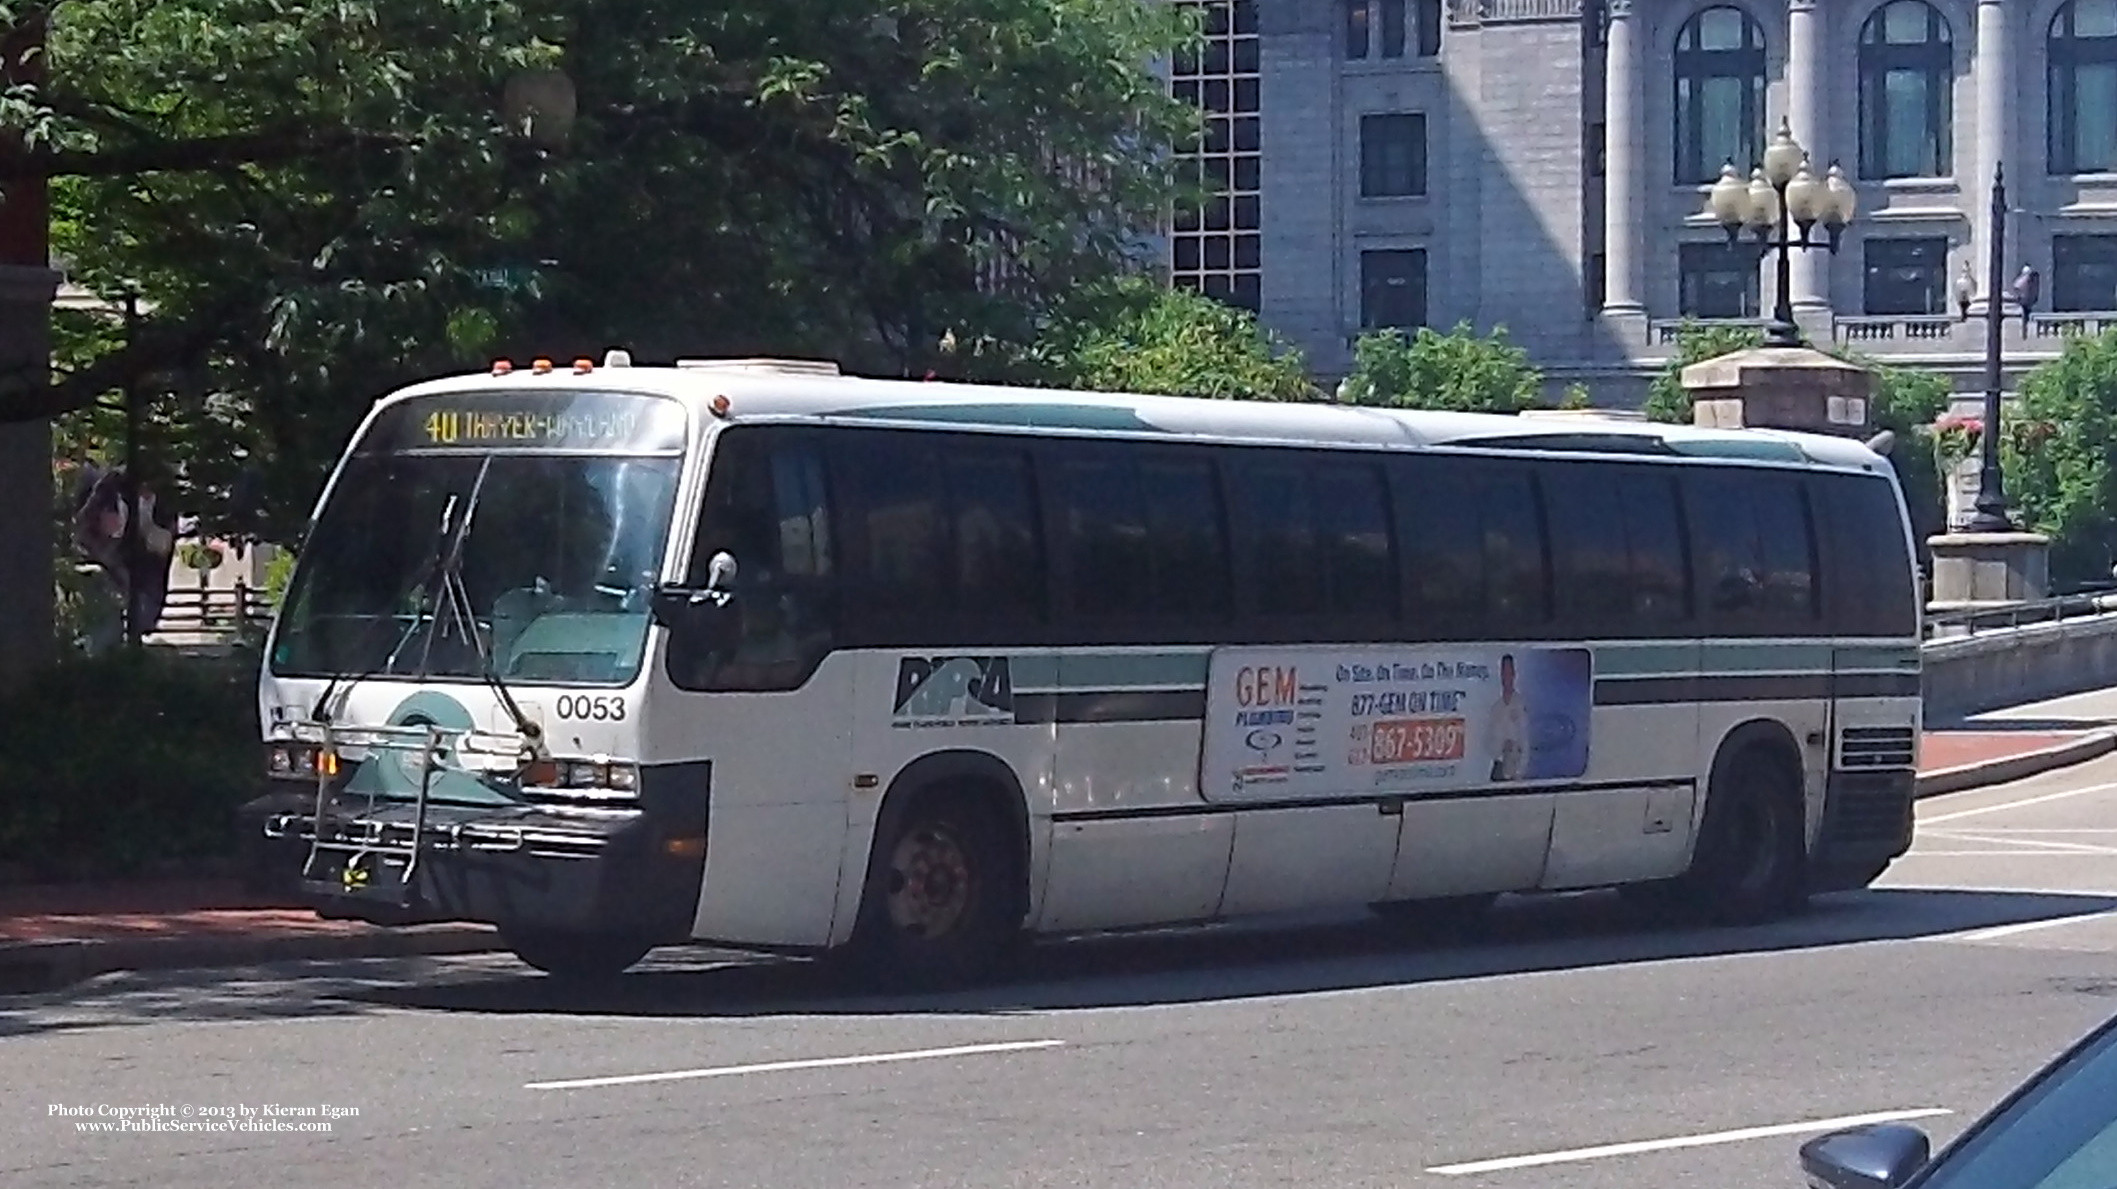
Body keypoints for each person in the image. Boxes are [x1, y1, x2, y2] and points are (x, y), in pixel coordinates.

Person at [1486, 653, 1529, 782]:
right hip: (1499, 766)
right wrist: (1501, 746)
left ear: (1514, 675)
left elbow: (1525, 740)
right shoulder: (1496, 708)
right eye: (1504, 673)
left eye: (1509, 673)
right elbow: (1487, 740)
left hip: (1515, 768)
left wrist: (1520, 771)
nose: (1506, 677)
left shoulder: (1521, 705)